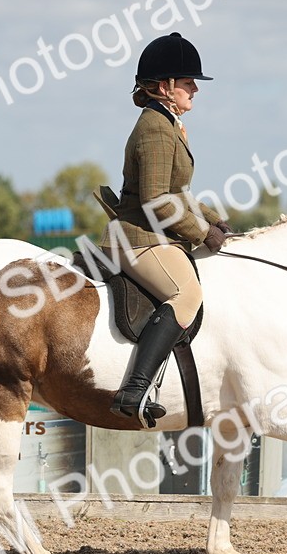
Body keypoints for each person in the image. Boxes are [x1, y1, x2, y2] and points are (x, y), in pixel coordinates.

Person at [94, 32, 231, 424]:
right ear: (163, 86)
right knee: (186, 295)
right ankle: (134, 389)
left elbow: (179, 192)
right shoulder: (155, 128)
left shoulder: (167, 123)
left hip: (152, 233)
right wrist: (202, 234)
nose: (194, 89)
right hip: (138, 238)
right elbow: (156, 200)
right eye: (188, 82)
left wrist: (212, 219)